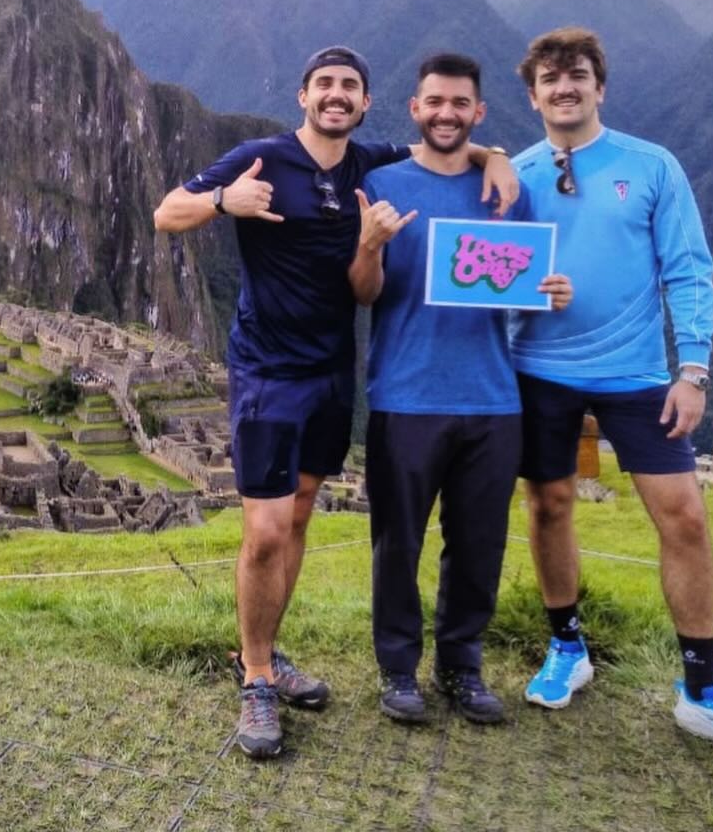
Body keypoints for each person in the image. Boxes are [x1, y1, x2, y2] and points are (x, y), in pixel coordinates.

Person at [153, 45, 516, 760]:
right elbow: (167, 212)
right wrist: (226, 201)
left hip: (331, 374)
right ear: (303, 96)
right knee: (263, 531)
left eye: (349, 86)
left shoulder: (366, 163)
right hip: (266, 372)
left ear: (365, 102)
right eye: (324, 85)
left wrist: (494, 154)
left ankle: (269, 654)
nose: (336, 96)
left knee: (296, 520)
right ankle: (255, 675)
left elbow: (442, 140)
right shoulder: (261, 157)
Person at [511, 26, 713, 764]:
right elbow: (491, 275)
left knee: (685, 518)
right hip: (538, 371)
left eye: (577, 75)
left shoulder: (651, 166)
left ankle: (704, 689)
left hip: (637, 375)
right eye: (549, 78)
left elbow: (688, 269)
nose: (564, 87)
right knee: (548, 504)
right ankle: (566, 645)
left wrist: (692, 370)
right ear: (533, 94)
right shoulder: (516, 174)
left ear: (599, 86)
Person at [349, 53, 571, 727]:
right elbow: (364, 294)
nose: (446, 113)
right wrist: (367, 246)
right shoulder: (381, 184)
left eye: (460, 104)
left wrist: (550, 293)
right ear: (414, 109)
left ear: (478, 114)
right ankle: (397, 669)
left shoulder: (506, 191)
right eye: (433, 102)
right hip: (405, 395)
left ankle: (461, 665)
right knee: (398, 543)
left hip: (492, 398)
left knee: (479, 544)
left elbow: (518, 289)